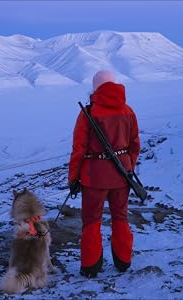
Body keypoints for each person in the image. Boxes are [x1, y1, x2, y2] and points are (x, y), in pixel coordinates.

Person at [68, 70, 140, 278]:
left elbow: (78, 149)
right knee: (121, 217)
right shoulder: (128, 111)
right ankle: (123, 262)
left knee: (91, 221)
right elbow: (135, 145)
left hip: (94, 176)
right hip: (122, 175)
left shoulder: (89, 113)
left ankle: (91, 267)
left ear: (95, 87)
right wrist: (127, 166)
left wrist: (73, 178)